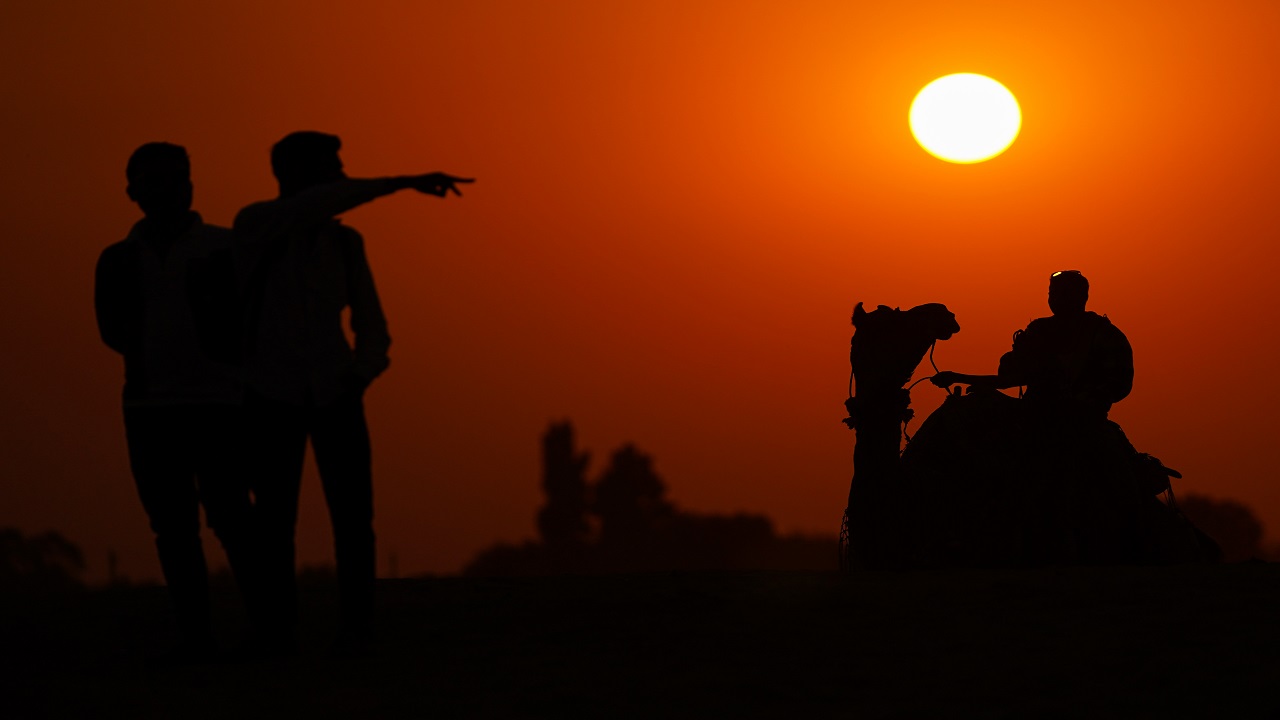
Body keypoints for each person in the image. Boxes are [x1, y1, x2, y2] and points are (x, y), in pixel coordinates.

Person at [233, 130, 471, 653]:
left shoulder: (344, 244)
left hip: (334, 391)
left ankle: (357, 626)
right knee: (274, 519)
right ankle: (278, 628)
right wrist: (403, 182)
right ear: (296, 173)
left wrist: (361, 373)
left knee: (353, 519)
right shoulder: (255, 225)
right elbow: (316, 204)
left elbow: (371, 321)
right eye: (331, 166)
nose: (342, 175)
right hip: (271, 394)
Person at [94, 142, 254, 661]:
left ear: (189, 186)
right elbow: (110, 329)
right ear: (133, 192)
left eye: (175, 180)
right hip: (150, 406)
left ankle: (267, 627)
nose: (168, 191)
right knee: (173, 527)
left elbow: (250, 321)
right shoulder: (117, 259)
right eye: (155, 181)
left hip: (219, 403)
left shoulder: (226, 248)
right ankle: (197, 637)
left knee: (232, 517)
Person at [931, 270, 1133, 424]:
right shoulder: (1039, 330)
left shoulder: (1103, 334)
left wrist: (1083, 401)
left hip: (1081, 423)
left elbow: (1120, 384)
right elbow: (1013, 377)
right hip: (1033, 414)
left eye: (1064, 293)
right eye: (1053, 293)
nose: (1056, 299)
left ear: (1082, 297)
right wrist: (957, 377)